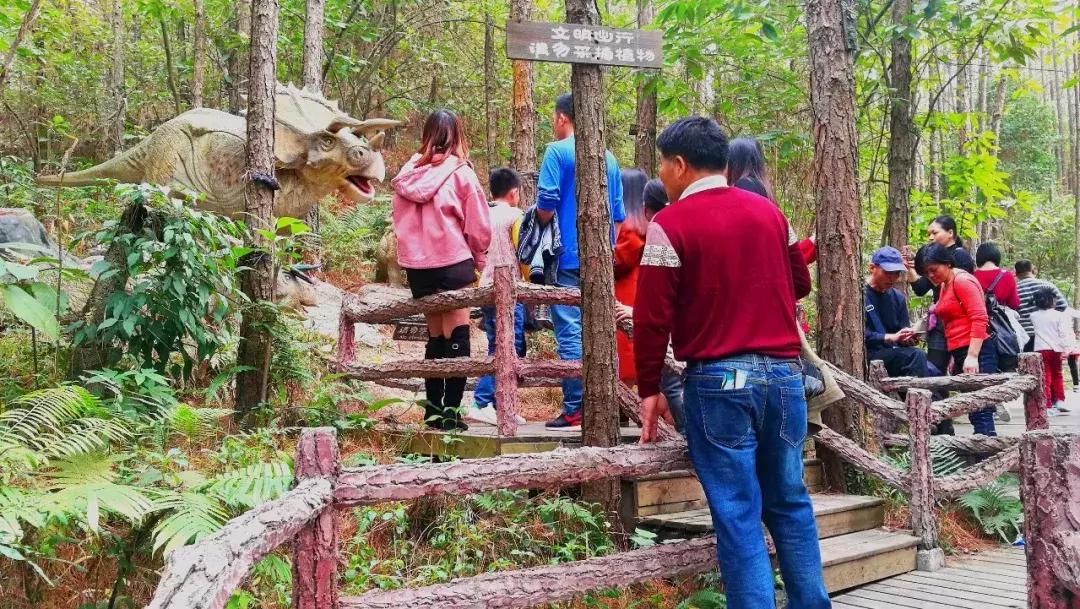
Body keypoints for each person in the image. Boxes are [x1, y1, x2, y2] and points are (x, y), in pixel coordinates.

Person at [635, 117, 828, 609]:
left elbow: (652, 318)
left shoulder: (669, 225)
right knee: (789, 502)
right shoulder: (770, 215)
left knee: (739, 513)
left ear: (679, 165)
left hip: (719, 381)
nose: (662, 171)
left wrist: (649, 391)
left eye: (662, 162)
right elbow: (800, 284)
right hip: (785, 378)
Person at [391, 109, 491, 431]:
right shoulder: (460, 172)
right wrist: (479, 258)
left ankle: (432, 413)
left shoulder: (407, 174)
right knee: (457, 332)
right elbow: (478, 226)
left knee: (435, 336)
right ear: (457, 134)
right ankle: (451, 413)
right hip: (452, 261)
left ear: (427, 134)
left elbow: (398, 221)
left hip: (419, 268)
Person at [536, 93, 626, 430]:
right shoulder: (610, 158)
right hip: (601, 259)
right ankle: (607, 405)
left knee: (570, 330)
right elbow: (617, 214)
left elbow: (546, 201)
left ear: (562, 118)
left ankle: (575, 407)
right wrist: (608, 249)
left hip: (565, 255)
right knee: (601, 329)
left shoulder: (556, 151)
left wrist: (539, 227)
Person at [466, 168, 529, 426]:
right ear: (514, 193)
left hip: (486, 286)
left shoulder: (482, 215)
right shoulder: (516, 216)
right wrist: (528, 279)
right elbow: (522, 251)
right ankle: (482, 402)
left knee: (499, 342)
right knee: (509, 345)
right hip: (510, 288)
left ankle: (500, 404)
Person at [921, 243, 997, 436]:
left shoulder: (962, 281)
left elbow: (980, 318)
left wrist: (972, 356)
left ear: (947, 263)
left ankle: (987, 457)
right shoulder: (946, 284)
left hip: (977, 351)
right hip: (961, 350)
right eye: (926, 272)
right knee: (974, 408)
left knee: (981, 409)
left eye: (934, 270)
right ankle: (983, 455)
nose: (931, 275)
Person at [864, 247, 929, 379]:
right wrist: (889, 337)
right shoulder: (859, 295)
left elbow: (901, 331)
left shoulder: (897, 297)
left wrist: (908, 338)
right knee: (916, 356)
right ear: (872, 268)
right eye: (888, 272)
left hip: (892, 354)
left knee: (925, 361)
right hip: (867, 354)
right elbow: (857, 334)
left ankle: (916, 397)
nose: (893, 278)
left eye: (897, 273)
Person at [613, 168, 649, 384]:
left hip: (626, 294)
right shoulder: (647, 224)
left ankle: (623, 409)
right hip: (639, 292)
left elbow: (619, 261)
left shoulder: (629, 228)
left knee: (625, 350)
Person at [973, 243, 1021, 371]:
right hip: (1002, 327)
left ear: (979, 258)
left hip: (979, 328)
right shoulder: (1007, 276)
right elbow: (1015, 303)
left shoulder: (972, 276)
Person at [1030, 287, 1073, 415]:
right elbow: (1063, 333)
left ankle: (1047, 403)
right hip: (1057, 349)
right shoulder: (1059, 315)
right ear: (1050, 301)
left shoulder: (1033, 316)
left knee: (1045, 376)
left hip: (1041, 348)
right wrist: (1067, 348)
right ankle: (1059, 400)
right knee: (1057, 374)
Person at [1015, 259, 1068, 352]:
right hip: (1048, 337)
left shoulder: (1014, 290)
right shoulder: (1047, 285)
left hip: (1025, 337)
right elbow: (1063, 305)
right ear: (1033, 270)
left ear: (1016, 273)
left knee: (1029, 365)